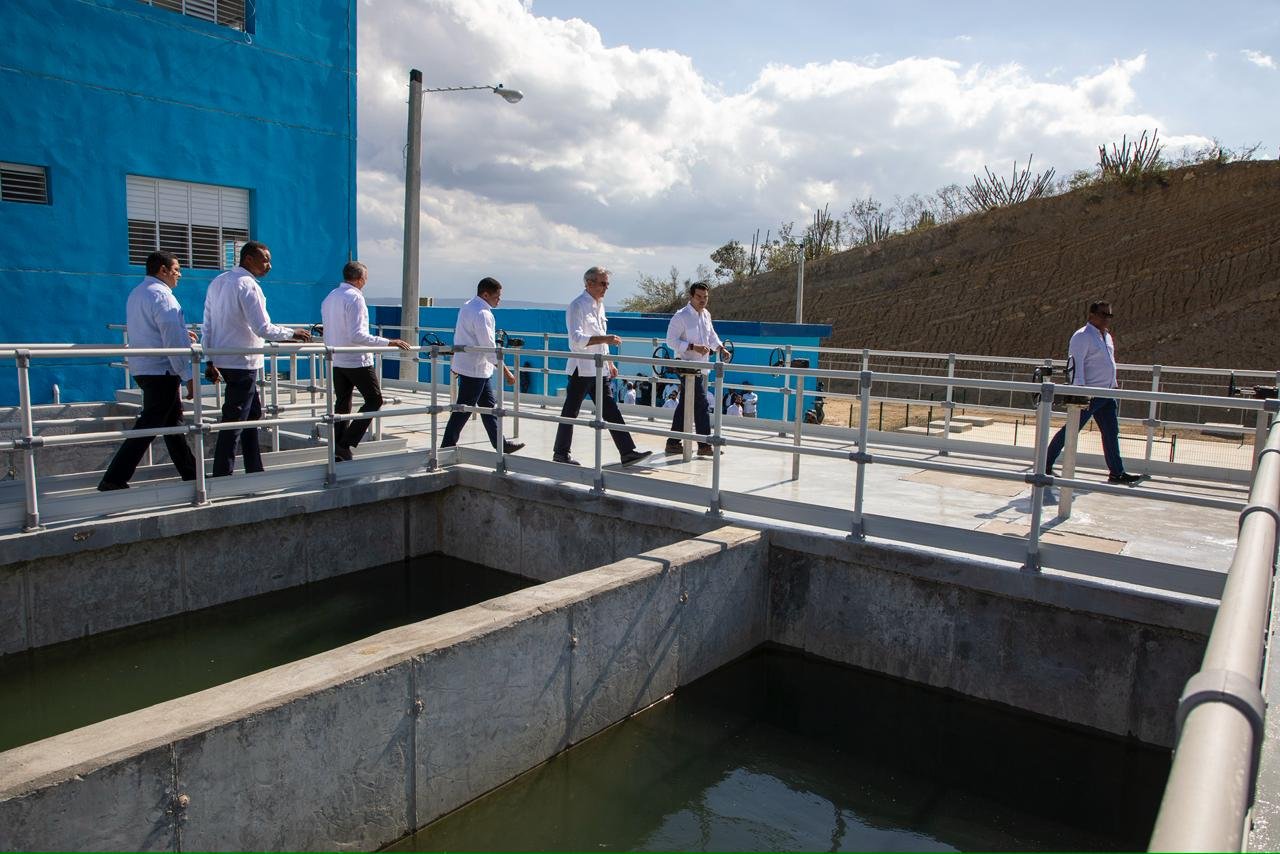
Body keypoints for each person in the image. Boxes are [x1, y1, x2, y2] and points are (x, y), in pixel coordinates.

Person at [203, 241, 312, 477]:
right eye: (265, 260)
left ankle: (254, 468)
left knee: (251, 415)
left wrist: (209, 360)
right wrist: (292, 333)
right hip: (243, 362)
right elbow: (262, 328)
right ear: (249, 259)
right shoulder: (247, 285)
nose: (269, 265)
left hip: (225, 359)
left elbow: (208, 325)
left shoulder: (218, 282)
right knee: (235, 421)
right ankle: (222, 475)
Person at [98, 251, 199, 490]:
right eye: (176, 270)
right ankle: (113, 478)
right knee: (150, 425)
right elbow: (172, 343)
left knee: (173, 424)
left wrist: (182, 333)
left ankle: (192, 473)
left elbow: (151, 330)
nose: (179, 275)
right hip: (161, 370)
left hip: (143, 367)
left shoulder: (138, 293)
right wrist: (188, 376)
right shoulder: (163, 297)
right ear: (163, 270)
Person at [553, 266, 652, 466]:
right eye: (603, 283)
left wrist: (610, 362)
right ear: (589, 283)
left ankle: (627, 452)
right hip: (582, 369)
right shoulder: (577, 306)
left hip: (600, 369)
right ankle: (561, 453)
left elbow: (601, 341)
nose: (606, 287)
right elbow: (576, 341)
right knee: (571, 411)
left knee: (611, 410)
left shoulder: (600, 306)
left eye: (607, 284)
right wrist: (605, 339)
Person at [320, 261, 410, 461]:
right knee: (374, 399)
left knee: (342, 403)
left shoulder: (330, 297)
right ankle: (345, 444)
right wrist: (388, 342)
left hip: (336, 359)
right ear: (360, 279)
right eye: (366, 278)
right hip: (356, 359)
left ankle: (338, 447)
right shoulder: (355, 298)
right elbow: (357, 335)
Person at [1045, 300, 1141, 485]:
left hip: (1107, 393)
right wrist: (1080, 392)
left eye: (1109, 315)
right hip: (1090, 394)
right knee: (1071, 429)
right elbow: (1076, 364)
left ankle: (1116, 472)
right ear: (1092, 315)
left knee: (1111, 432)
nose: (1107, 319)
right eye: (1103, 315)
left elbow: (1109, 362)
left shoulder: (1107, 337)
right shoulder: (1082, 336)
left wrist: (1113, 384)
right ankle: (1045, 464)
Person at [441, 277, 525, 455]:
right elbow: (489, 348)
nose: (499, 300)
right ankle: (446, 446)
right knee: (464, 409)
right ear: (485, 295)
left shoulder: (467, 306)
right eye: (496, 296)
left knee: (488, 407)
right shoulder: (483, 314)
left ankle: (501, 443)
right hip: (475, 369)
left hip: (473, 367)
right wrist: (507, 372)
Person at [664, 282, 730, 457]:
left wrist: (721, 348)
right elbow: (670, 341)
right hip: (686, 366)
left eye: (705, 297)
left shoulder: (706, 314)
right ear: (691, 297)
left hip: (700, 367)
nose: (702, 300)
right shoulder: (681, 316)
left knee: (686, 404)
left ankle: (673, 443)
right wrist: (693, 347)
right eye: (699, 297)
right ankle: (704, 445)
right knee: (701, 404)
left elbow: (711, 336)